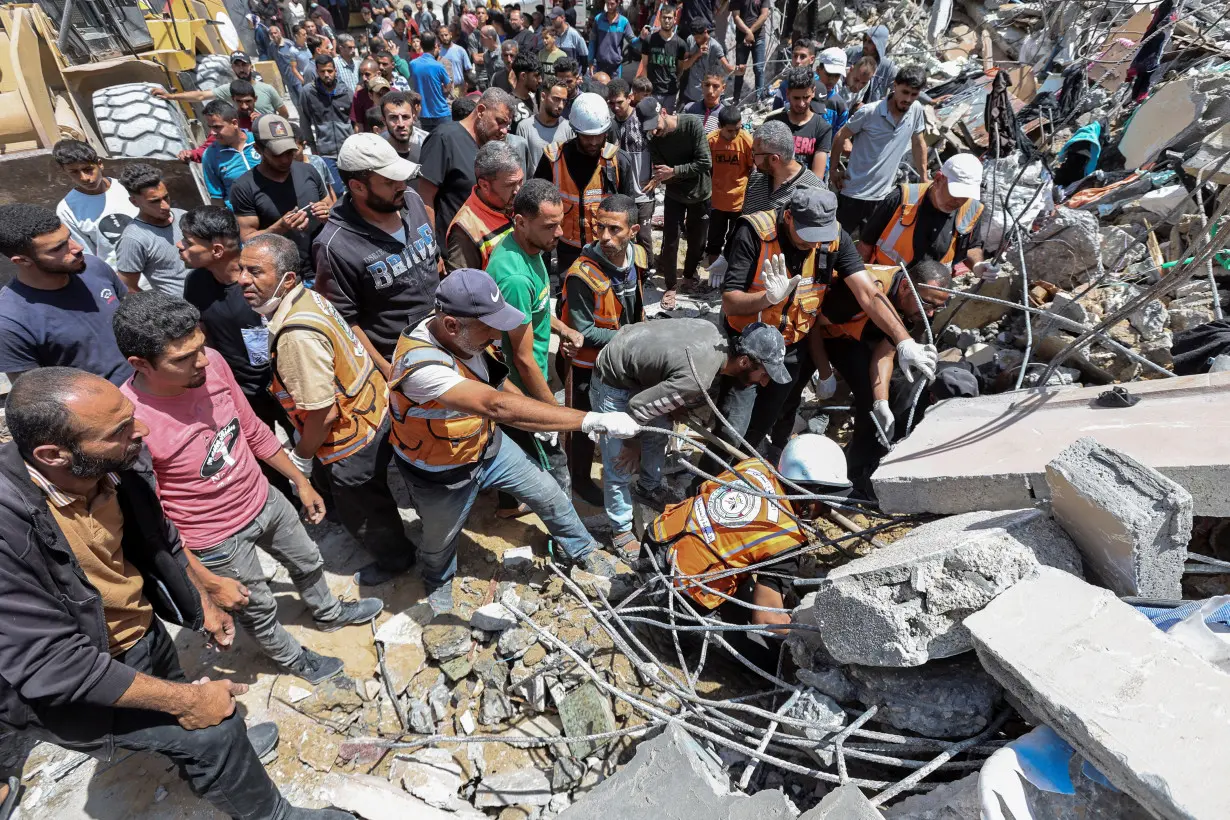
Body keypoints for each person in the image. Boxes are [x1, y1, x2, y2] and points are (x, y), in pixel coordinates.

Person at [0, 369, 358, 820]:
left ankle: (213, 764)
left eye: (131, 418)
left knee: (192, 711)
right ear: (53, 454)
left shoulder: (115, 463)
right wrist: (190, 705)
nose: (143, 431)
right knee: (214, 728)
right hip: (74, 678)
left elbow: (160, 538)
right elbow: (52, 664)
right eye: (120, 430)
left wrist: (202, 598)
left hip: (137, 628)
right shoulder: (9, 528)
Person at [114, 292, 386, 682]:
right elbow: (154, 524)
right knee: (255, 608)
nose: (203, 361)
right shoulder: (132, 424)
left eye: (201, 346)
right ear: (140, 364)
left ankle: (328, 613)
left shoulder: (214, 366)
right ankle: (294, 660)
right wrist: (207, 583)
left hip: (264, 499)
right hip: (214, 539)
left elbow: (253, 429)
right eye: (183, 358)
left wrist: (300, 480)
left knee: (308, 559)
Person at [387, 267, 639, 613]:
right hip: (441, 471)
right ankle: (438, 578)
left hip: (487, 447)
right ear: (451, 325)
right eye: (488, 325)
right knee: (439, 539)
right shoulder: (421, 369)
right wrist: (589, 420)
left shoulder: (464, 335)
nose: (495, 334)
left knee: (548, 493)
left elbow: (497, 384)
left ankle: (582, 549)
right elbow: (495, 404)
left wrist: (540, 418)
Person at [239, 234, 419, 587]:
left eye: (255, 271)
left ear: (287, 279)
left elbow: (323, 414)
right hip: (372, 408)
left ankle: (395, 558)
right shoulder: (309, 298)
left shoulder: (295, 336)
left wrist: (302, 455)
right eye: (241, 269)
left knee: (364, 508)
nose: (243, 279)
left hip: (349, 439)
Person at [593, 319, 790, 553]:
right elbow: (637, 408)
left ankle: (648, 487)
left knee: (659, 433)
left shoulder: (716, 336)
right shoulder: (698, 378)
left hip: (638, 369)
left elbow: (672, 365)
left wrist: (673, 398)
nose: (765, 382)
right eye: (764, 374)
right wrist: (632, 443)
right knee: (620, 463)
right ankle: (621, 532)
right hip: (614, 377)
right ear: (744, 361)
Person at [643, 434, 851, 639]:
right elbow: (766, 620)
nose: (826, 511)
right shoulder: (786, 540)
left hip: (656, 541)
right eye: (825, 503)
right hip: (677, 594)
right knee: (761, 649)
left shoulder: (753, 467)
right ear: (808, 492)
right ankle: (667, 636)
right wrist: (812, 633)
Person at [714, 187, 864, 465]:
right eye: (807, 235)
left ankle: (745, 476)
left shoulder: (834, 238)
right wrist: (767, 298)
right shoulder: (755, 232)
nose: (812, 244)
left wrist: (902, 341)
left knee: (763, 423)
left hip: (791, 349)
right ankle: (706, 483)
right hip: (749, 350)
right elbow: (731, 303)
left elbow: (867, 292)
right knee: (731, 429)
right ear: (789, 218)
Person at [178, 207, 300, 500]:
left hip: (285, 385)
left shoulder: (265, 280)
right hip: (242, 392)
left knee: (304, 439)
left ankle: (325, 496)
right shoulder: (196, 283)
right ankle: (286, 504)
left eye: (188, 241)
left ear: (217, 249)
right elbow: (202, 332)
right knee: (263, 450)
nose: (181, 247)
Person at [484, 180, 581, 511]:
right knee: (558, 471)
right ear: (520, 220)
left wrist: (562, 328)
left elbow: (536, 308)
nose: (559, 233)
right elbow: (523, 359)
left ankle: (510, 505)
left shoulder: (531, 247)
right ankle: (565, 542)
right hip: (522, 388)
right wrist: (551, 414)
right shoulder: (514, 277)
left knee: (514, 449)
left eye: (560, 223)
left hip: (531, 377)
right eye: (549, 226)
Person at [314, 133, 440, 379]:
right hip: (403, 361)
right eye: (389, 181)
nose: (401, 184)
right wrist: (386, 369)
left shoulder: (411, 201)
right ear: (358, 187)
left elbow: (432, 260)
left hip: (444, 337)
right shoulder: (334, 246)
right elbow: (344, 321)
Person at [817, 259, 947, 492]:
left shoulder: (919, 309)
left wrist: (880, 403)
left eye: (938, 307)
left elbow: (884, 355)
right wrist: (823, 370)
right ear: (906, 287)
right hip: (817, 332)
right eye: (927, 303)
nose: (930, 312)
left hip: (850, 339)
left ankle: (854, 474)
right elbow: (812, 324)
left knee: (870, 403)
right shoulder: (866, 287)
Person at [560, 193, 647, 507]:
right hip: (587, 366)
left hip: (620, 361)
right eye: (600, 229)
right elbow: (582, 330)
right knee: (584, 425)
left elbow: (635, 302)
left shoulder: (636, 257)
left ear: (633, 232)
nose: (606, 237)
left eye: (615, 230)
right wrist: (633, 337)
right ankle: (580, 479)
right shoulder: (582, 275)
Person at [0, 206, 131, 385]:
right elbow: (33, 395)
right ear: (22, 260)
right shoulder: (10, 323)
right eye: (58, 248)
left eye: (68, 237)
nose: (77, 248)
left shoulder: (94, 267)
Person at [535, 92, 639, 280]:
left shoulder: (618, 161)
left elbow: (629, 210)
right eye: (586, 137)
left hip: (607, 248)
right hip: (567, 250)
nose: (592, 142)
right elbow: (539, 210)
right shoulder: (553, 159)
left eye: (598, 136)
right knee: (569, 299)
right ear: (575, 131)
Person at [830, 65, 928, 239]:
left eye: (914, 94)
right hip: (854, 193)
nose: (908, 99)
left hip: (883, 197)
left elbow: (918, 143)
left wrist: (924, 177)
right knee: (837, 243)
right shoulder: (870, 112)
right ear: (894, 86)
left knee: (868, 247)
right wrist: (834, 169)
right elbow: (840, 136)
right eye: (905, 92)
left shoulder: (916, 110)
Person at [230, 115, 331, 282]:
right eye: (277, 154)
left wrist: (327, 213)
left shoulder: (308, 171)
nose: (285, 159)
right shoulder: (244, 187)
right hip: (288, 278)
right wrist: (280, 228)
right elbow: (248, 239)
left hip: (326, 266)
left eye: (289, 152)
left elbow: (329, 206)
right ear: (257, 149)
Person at [638, 96, 712, 305]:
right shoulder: (653, 139)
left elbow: (705, 162)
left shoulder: (691, 124)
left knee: (698, 241)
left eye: (655, 126)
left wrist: (674, 171)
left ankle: (689, 276)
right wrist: (665, 175)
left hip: (700, 193)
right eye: (648, 129)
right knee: (670, 242)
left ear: (663, 113)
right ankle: (670, 286)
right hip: (674, 195)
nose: (653, 132)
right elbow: (661, 169)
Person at [858, 153, 986, 270]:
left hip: (930, 290)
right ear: (938, 179)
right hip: (887, 283)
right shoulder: (901, 199)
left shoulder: (972, 209)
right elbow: (865, 245)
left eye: (966, 196)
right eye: (955, 194)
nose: (959, 201)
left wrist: (978, 265)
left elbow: (972, 247)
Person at [419, 87, 515, 239]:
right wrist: (433, 251)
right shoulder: (444, 138)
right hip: (453, 250)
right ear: (481, 111)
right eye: (500, 121)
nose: (504, 131)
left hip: (484, 245)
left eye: (507, 125)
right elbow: (424, 197)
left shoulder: (489, 144)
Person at [52, 139, 138, 271]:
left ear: (100, 164)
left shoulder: (128, 188)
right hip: (121, 280)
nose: (84, 177)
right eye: (74, 172)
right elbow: (87, 256)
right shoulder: (67, 209)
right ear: (65, 172)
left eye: (88, 169)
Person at [445, 140, 523, 271]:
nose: (518, 190)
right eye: (510, 185)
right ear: (485, 186)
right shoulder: (466, 231)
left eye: (521, 181)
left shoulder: (513, 202)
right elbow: (464, 287)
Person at [115, 164, 188, 296]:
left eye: (166, 197)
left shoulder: (184, 216)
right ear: (134, 202)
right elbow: (127, 287)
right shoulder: (133, 240)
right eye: (155, 201)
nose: (165, 206)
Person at [606, 78, 656, 269]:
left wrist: (656, 177)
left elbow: (657, 149)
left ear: (629, 98)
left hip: (643, 191)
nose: (615, 107)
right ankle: (628, 268)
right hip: (622, 193)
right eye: (611, 103)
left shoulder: (642, 120)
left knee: (643, 235)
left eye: (619, 102)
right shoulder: (610, 126)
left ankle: (647, 270)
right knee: (622, 234)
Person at [154, 53, 290, 118]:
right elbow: (201, 95)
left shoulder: (267, 89)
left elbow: (284, 114)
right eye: (237, 65)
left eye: (244, 65)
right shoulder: (229, 89)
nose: (241, 69)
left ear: (251, 66)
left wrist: (271, 122)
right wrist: (170, 96)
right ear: (232, 68)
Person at [740, 119, 825, 215]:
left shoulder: (814, 191)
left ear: (774, 159)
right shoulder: (756, 178)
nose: (752, 157)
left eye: (755, 153)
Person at [298, 53, 354, 192]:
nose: (327, 74)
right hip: (325, 151)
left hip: (347, 150)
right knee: (336, 190)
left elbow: (354, 121)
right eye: (322, 71)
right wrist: (312, 145)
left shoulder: (347, 92)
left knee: (353, 188)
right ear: (317, 72)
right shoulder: (308, 92)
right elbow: (304, 121)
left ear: (335, 70)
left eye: (329, 71)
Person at [705, 105, 753, 266]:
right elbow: (706, 168)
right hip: (717, 200)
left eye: (737, 129)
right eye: (730, 131)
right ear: (720, 127)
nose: (734, 134)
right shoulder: (711, 141)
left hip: (739, 201)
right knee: (714, 240)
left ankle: (731, 272)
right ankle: (713, 271)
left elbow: (753, 169)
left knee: (736, 239)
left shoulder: (746, 141)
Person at [769, 66, 832, 179]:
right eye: (796, 98)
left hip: (805, 193)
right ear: (787, 94)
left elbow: (817, 177)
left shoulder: (822, 128)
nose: (802, 103)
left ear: (813, 92)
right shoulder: (773, 123)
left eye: (806, 97)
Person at [201, 100, 261, 209]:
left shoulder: (259, 140)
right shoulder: (210, 156)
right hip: (243, 219)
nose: (212, 133)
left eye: (217, 127)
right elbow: (217, 198)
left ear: (234, 123)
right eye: (210, 127)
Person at [516, 78, 575, 170]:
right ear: (543, 97)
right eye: (556, 99)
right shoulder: (525, 127)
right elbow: (520, 166)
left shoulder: (569, 128)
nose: (561, 106)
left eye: (564, 101)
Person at [638, 6, 685, 113]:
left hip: (670, 93)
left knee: (666, 125)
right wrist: (647, 90)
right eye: (664, 17)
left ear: (674, 19)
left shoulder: (681, 44)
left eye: (669, 18)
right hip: (652, 91)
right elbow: (644, 66)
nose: (667, 21)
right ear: (659, 18)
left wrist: (674, 82)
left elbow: (680, 69)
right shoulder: (649, 40)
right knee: (650, 122)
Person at [678, 21, 734, 111]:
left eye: (698, 37)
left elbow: (727, 67)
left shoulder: (715, 46)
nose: (696, 39)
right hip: (689, 94)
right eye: (694, 37)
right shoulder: (690, 39)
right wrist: (697, 54)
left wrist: (738, 68)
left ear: (705, 32)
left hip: (705, 96)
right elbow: (684, 65)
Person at [409, 33, 455, 132]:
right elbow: (448, 88)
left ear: (421, 45)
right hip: (441, 113)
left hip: (423, 114)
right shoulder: (438, 66)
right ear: (435, 46)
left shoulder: (413, 64)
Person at [844, 24, 896, 103]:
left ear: (879, 45)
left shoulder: (887, 67)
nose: (865, 45)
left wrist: (886, 101)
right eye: (865, 40)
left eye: (870, 42)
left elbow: (898, 88)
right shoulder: (852, 53)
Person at [729, 0, 769, 103]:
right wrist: (748, 32)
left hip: (759, 37)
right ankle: (736, 99)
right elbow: (736, 17)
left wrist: (750, 31)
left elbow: (764, 15)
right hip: (741, 37)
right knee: (740, 69)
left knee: (759, 69)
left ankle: (759, 99)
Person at [382, 90, 429, 162]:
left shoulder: (427, 143)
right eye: (393, 117)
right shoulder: (376, 149)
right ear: (384, 121)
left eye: (405, 117)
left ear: (413, 118)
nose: (401, 124)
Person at [590, 0, 634, 76]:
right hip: (600, 66)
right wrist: (590, 62)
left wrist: (641, 38)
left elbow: (632, 40)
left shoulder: (623, 22)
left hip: (615, 68)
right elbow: (592, 41)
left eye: (612, 4)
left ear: (618, 3)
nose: (609, 7)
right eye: (607, 3)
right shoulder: (598, 19)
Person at [815, 47, 850, 133]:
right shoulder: (803, 95)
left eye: (836, 75)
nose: (832, 80)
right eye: (828, 74)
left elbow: (838, 136)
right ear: (818, 70)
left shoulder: (840, 107)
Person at [682, 71, 726, 136]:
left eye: (715, 86)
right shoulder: (689, 109)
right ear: (702, 85)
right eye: (707, 85)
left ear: (723, 88)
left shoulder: (725, 114)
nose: (710, 91)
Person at [510, 51, 543, 129]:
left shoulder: (536, 98)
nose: (540, 80)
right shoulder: (508, 103)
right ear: (523, 76)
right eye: (536, 76)